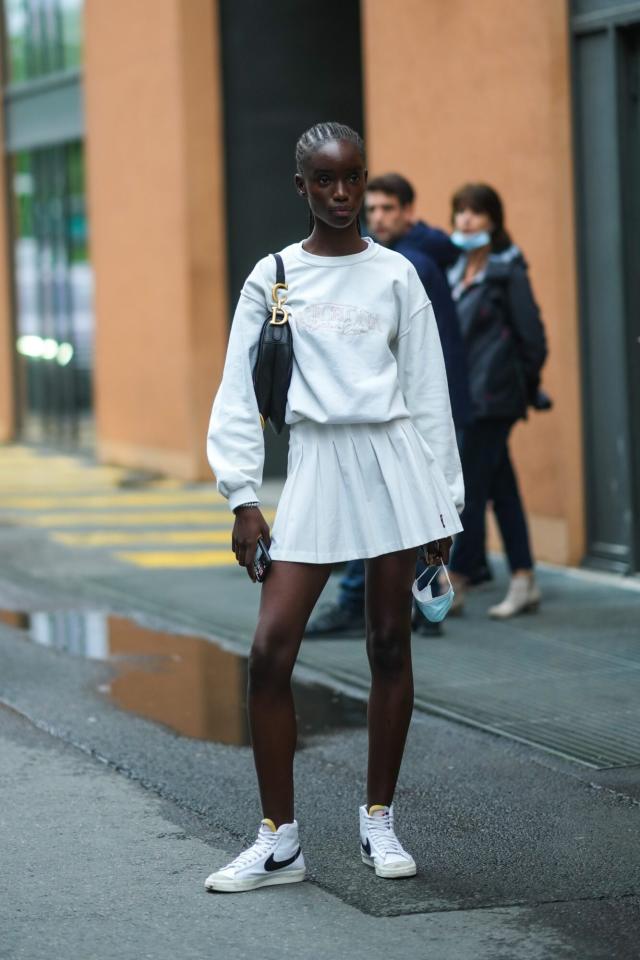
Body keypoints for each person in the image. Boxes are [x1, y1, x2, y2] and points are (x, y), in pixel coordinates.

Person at [204, 122, 464, 892]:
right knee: (271, 650)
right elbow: (235, 391)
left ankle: (378, 820)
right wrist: (243, 496)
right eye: (325, 180)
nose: (342, 194)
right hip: (316, 465)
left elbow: (427, 393)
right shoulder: (273, 276)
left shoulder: (397, 275)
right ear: (301, 187)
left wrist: (443, 507)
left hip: (393, 464)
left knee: (389, 643)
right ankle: (279, 840)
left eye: (353, 178)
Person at [305, 172, 471, 639]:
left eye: (386, 209)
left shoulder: (403, 267)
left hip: (412, 407)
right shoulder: (410, 260)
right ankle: (420, 604)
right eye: (372, 209)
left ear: (408, 212)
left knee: (402, 503)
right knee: (410, 505)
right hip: (411, 404)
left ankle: (375, 601)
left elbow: (426, 354)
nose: (376, 217)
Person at [446, 183, 547, 619]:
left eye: (475, 212)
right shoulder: (453, 271)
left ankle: (460, 578)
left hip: (494, 399)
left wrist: (521, 386)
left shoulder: (508, 272)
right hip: (466, 398)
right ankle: (524, 577)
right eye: (460, 213)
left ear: (493, 220)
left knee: (468, 487)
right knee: (500, 487)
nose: (466, 220)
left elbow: (534, 339)